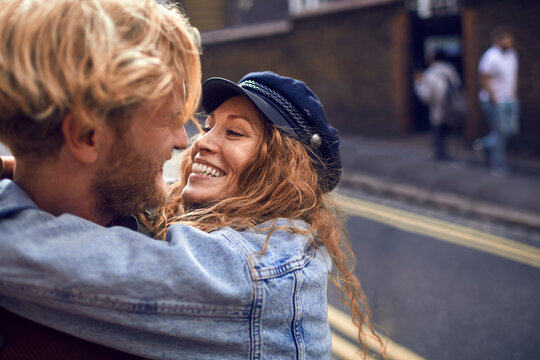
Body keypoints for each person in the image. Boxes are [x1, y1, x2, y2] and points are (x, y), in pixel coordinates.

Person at [0, 0, 384, 356]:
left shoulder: (261, 273)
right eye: (182, 121)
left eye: (234, 133)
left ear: (281, 173)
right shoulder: (174, 219)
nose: (189, 142)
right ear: (85, 136)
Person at [472, 27, 519, 175]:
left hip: (510, 99)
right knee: (500, 133)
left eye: (510, 39)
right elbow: (484, 78)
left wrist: (514, 94)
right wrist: (493, 97)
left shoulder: (512, 54)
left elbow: (513, 75)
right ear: (497, 41)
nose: (509, 41)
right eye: (505, 39)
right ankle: (497, 165)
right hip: (495, 100)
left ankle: (483, 144)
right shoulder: (490, 56)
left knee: (511, 130)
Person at [414, 50, 463, 161]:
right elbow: (457, 85)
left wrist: (418, 84)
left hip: (437, 107)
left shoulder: (430, 73)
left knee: (437, 128)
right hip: (452, 106)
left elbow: (426, 96)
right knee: (449, 129)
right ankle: (449, 152)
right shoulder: (450, 70)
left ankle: (439, 153)